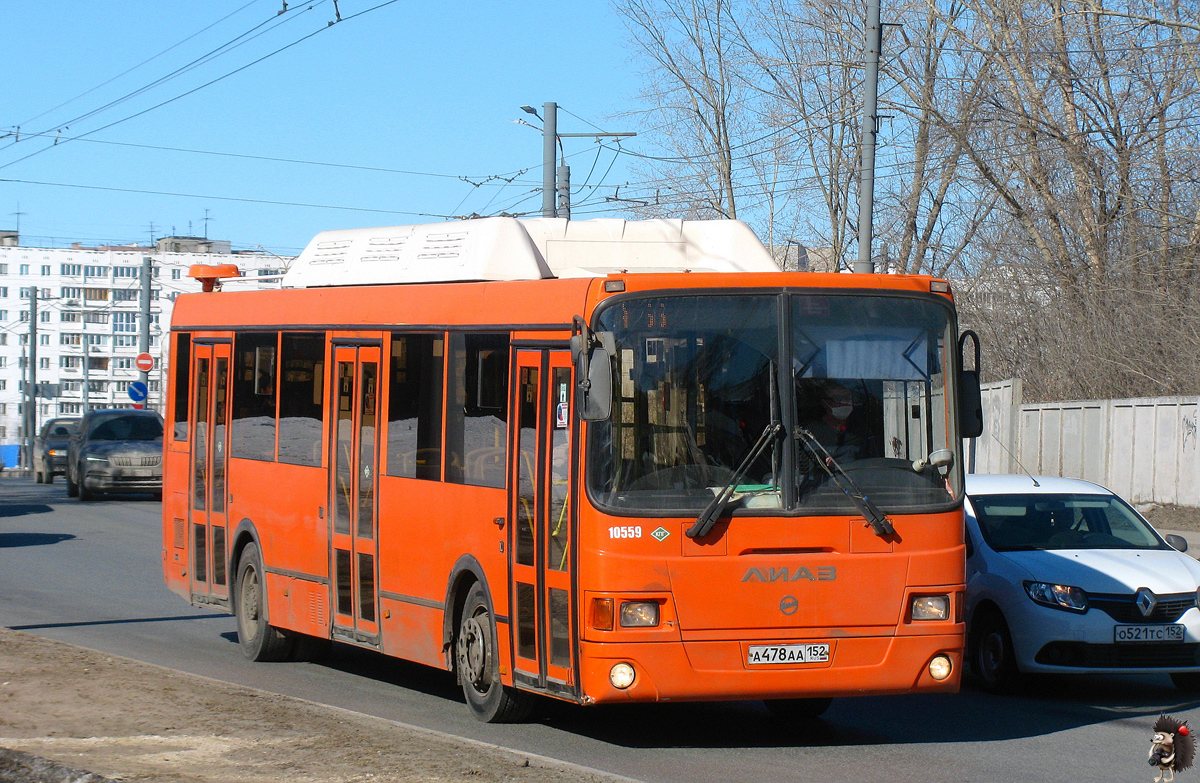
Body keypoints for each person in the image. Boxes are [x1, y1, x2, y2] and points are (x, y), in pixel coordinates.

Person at [797, 381, 865, 475]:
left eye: (848, 398)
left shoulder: (860, 432)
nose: (845, 402)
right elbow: (802, 470)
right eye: (838, 399)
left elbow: (871, 465)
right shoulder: (807, 433)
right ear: (825, 403)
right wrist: (824, 464)